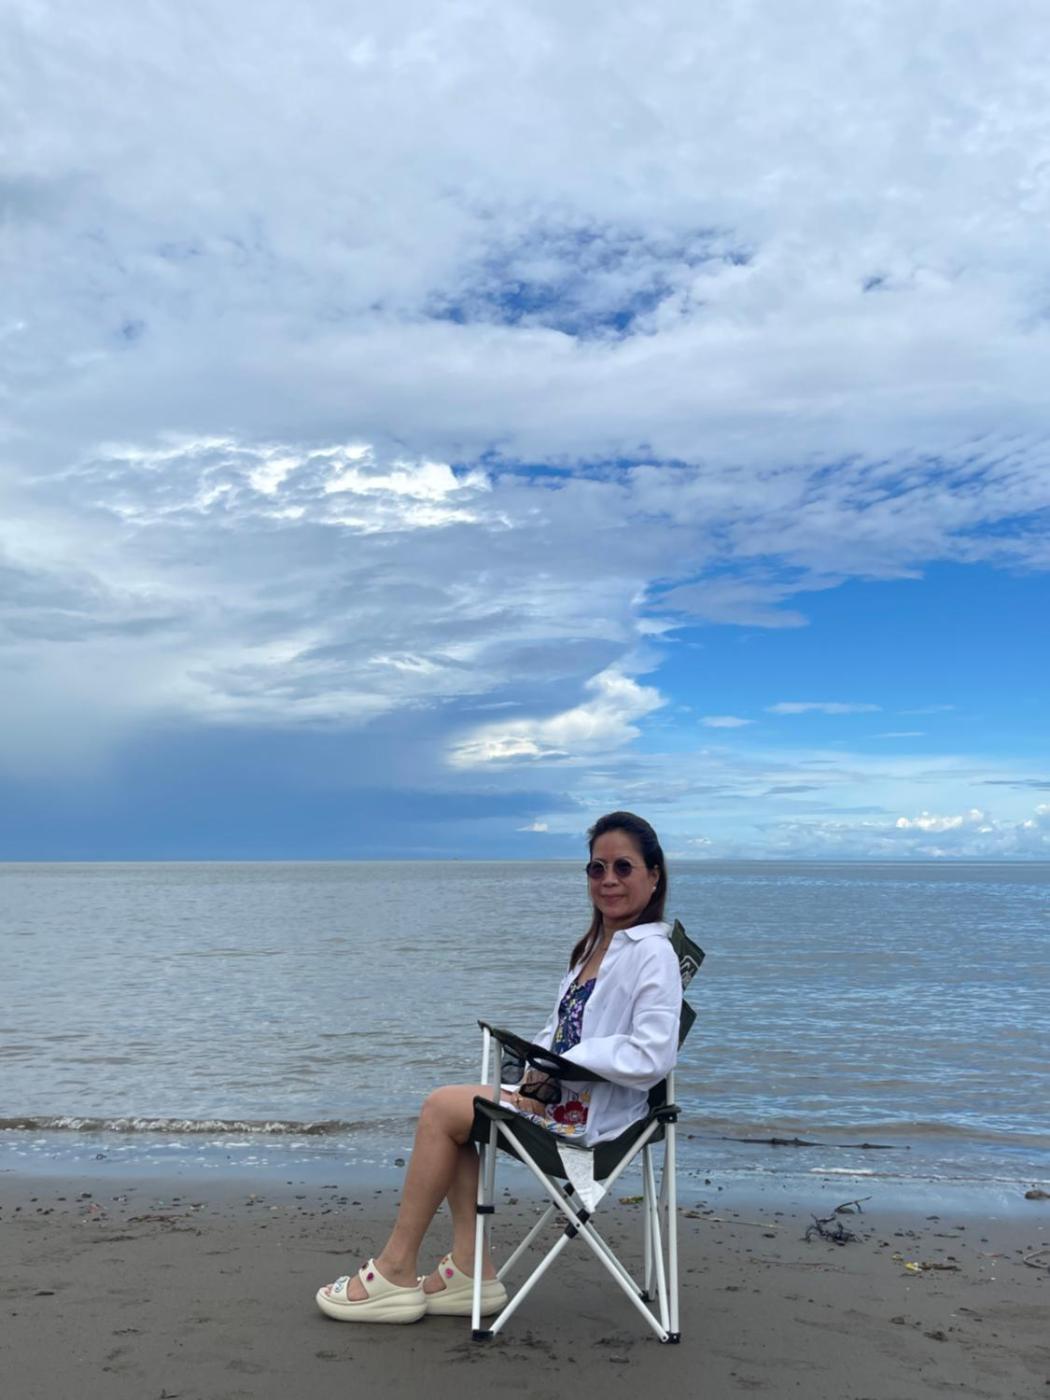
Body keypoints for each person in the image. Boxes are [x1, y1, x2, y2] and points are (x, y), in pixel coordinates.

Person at [315, 810, 681, 1324]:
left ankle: (395, 1270)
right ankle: (471, 1270)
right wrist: (533, 1069)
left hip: (593, 1122)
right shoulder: (594, 948)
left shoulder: (653, 954)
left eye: (623, 867)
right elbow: (561, 1030)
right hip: (556, 1102)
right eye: (597, 868)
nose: (608, 880)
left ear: (654, 875)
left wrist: (561, 1064)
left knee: (440, 1108)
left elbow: (653, 1054)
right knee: (460, 1119)